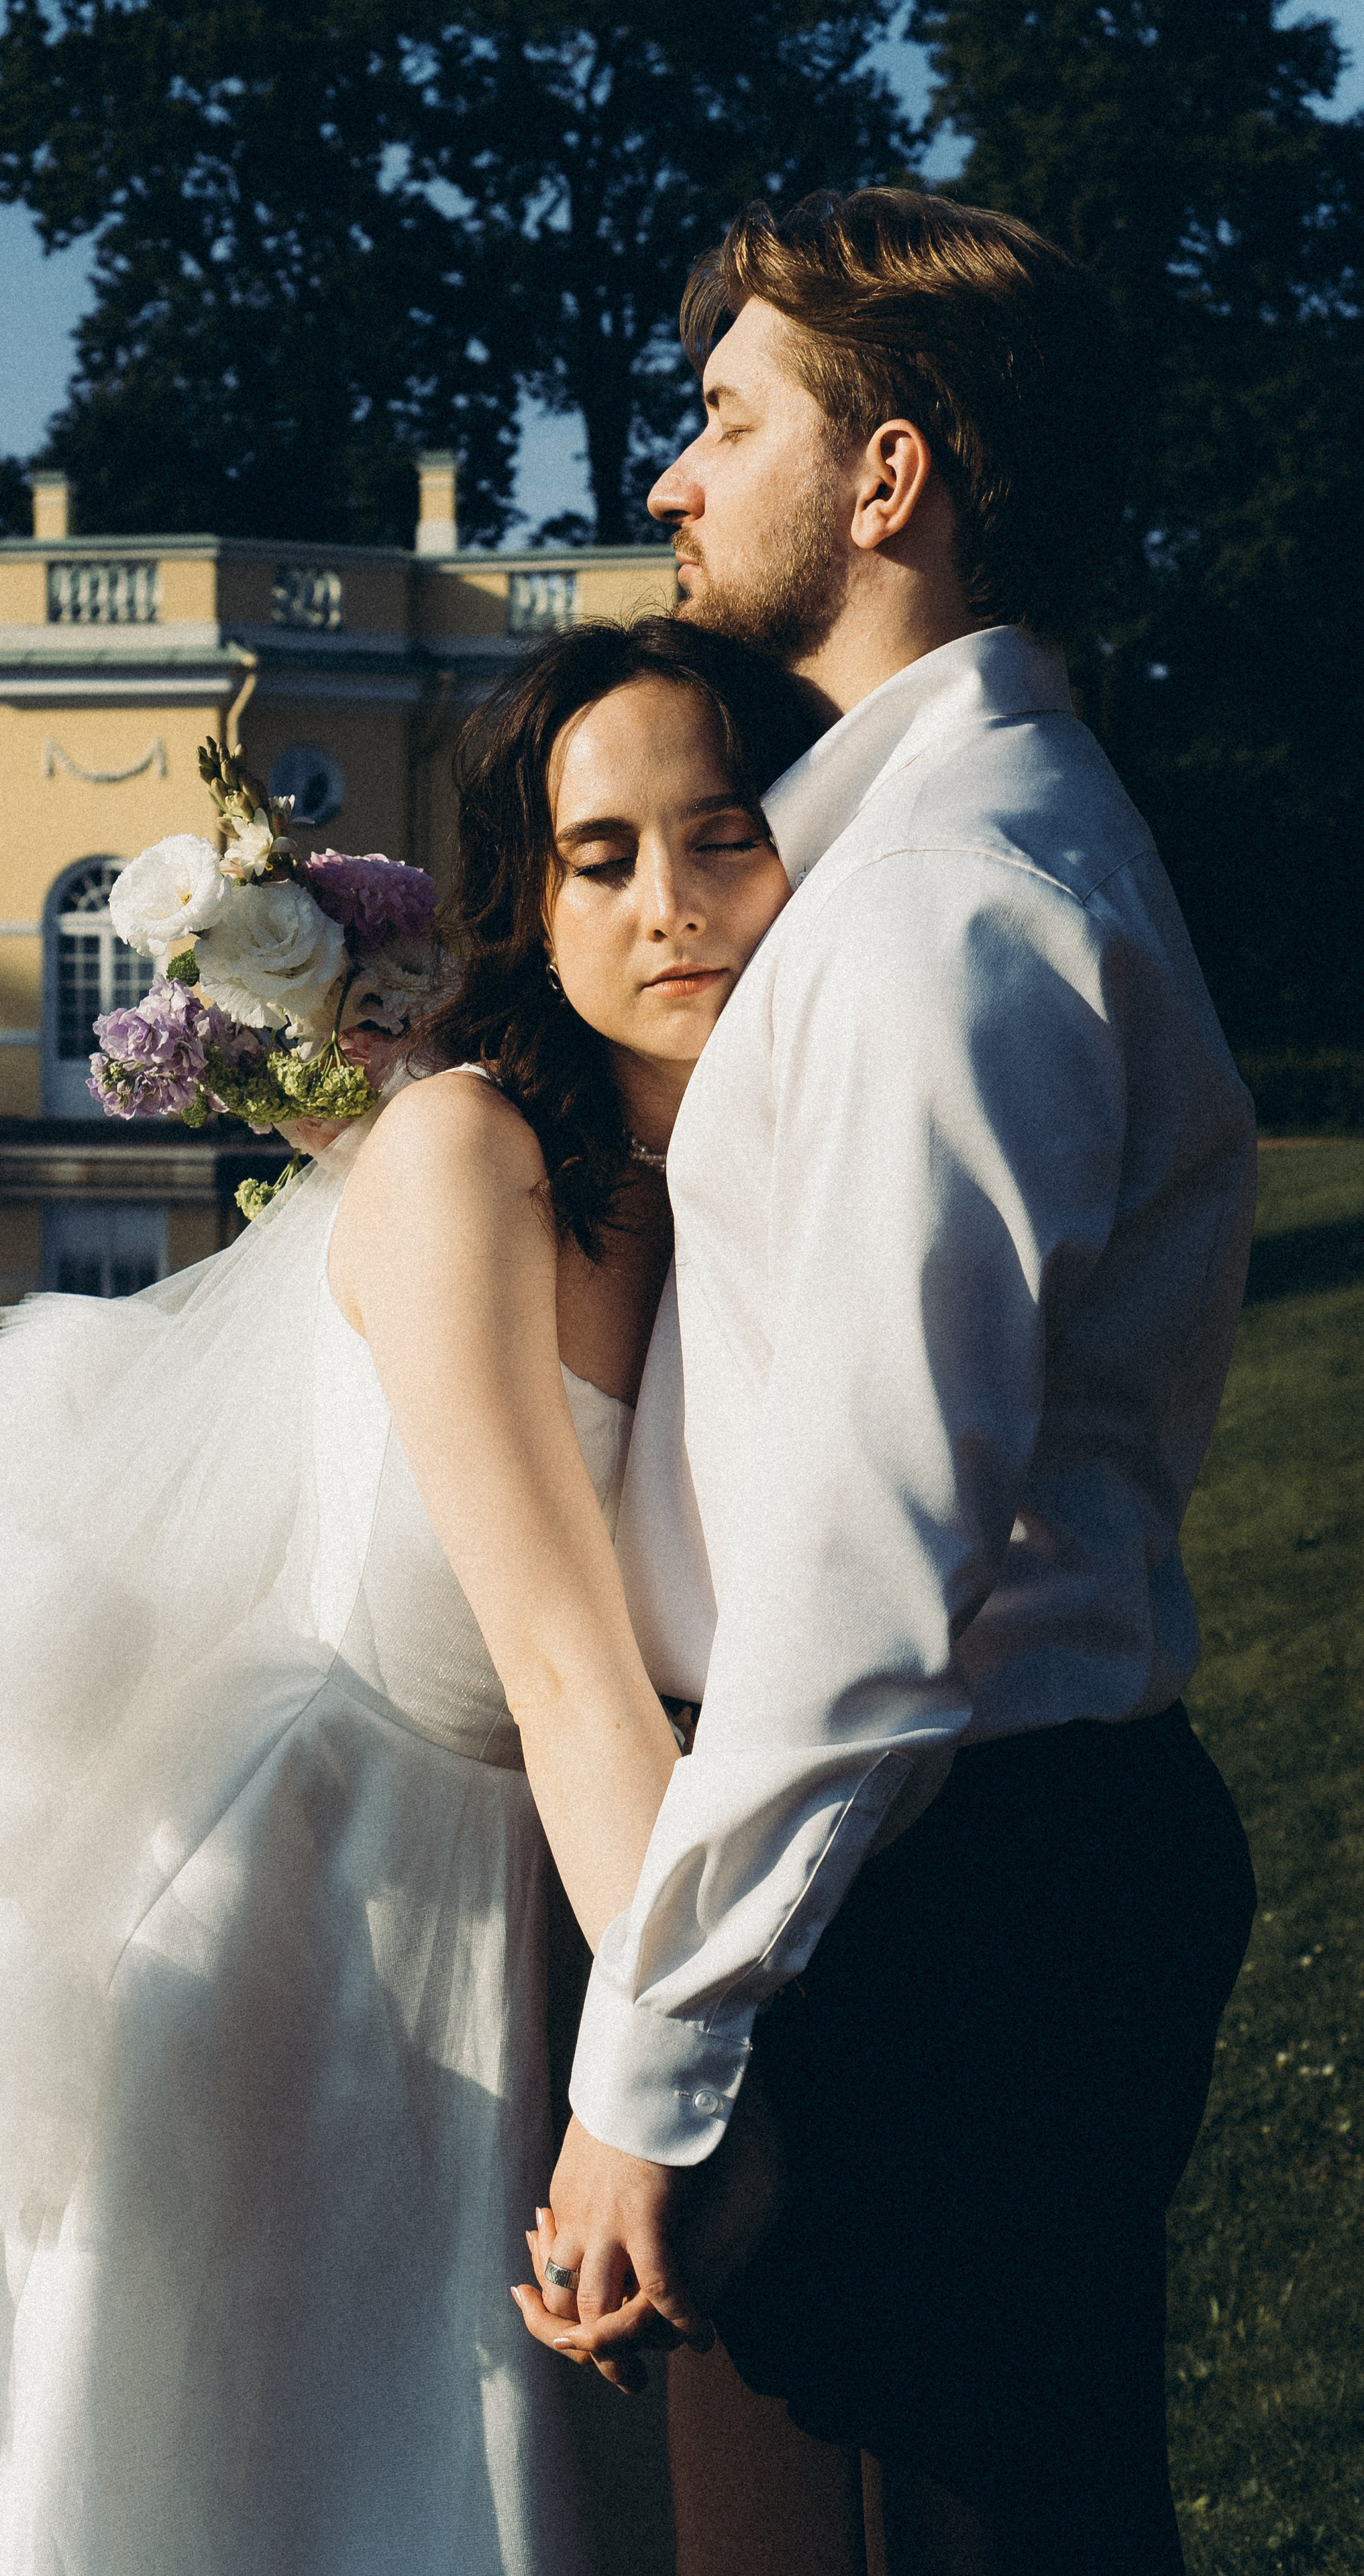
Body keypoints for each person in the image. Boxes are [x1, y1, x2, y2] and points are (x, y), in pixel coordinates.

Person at [0, 618, 815, 2576]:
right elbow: (560, 1664)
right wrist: (701, 2076)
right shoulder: (466, 1154)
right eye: (603, 858)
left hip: (524, 1877)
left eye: (724, 836)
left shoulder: (725, 1181)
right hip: (313, 1910)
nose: (674, 907)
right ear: (532, 909)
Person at [514, 189, 1258, 2576]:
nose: (669, 477)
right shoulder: (945, 850)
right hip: (976, 1866)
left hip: (937, 1916)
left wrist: (653, 2068)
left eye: (727, 420)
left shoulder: (945, 907)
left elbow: (864, 1573)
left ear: (888, 476)